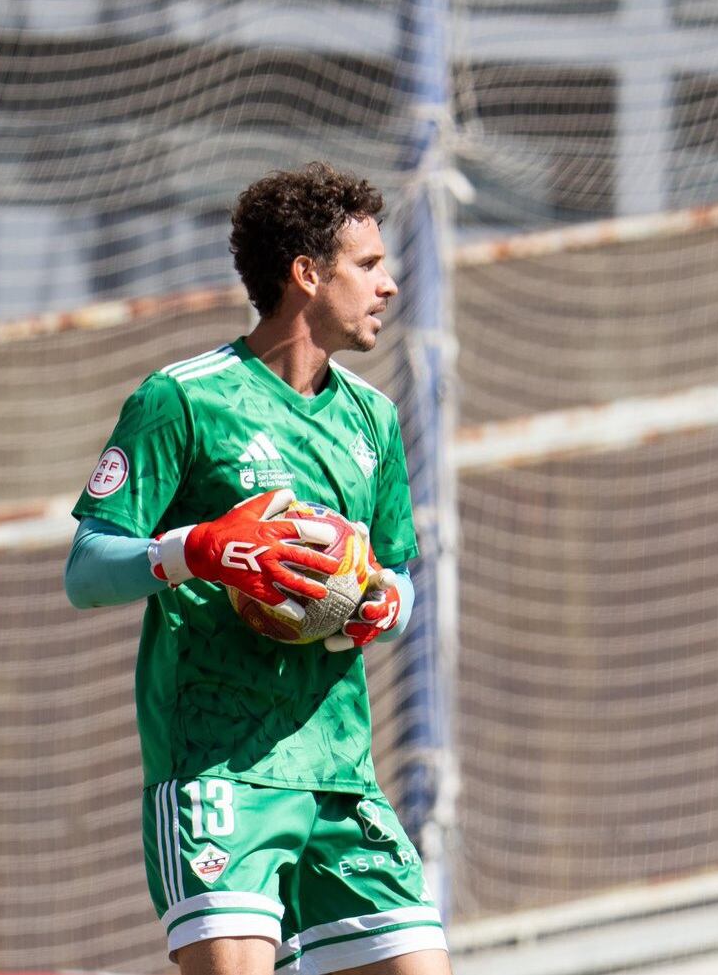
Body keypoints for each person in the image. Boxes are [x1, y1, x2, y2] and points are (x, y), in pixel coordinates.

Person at [64, 162, 451, 975]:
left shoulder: (373, 420)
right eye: (369, 266)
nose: (388, 286)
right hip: (218, 771)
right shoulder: (181, 400)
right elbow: (88, 568)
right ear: (307, 275)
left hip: (341, 774)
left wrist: (382, 600)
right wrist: (195, 548)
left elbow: (403, 582)